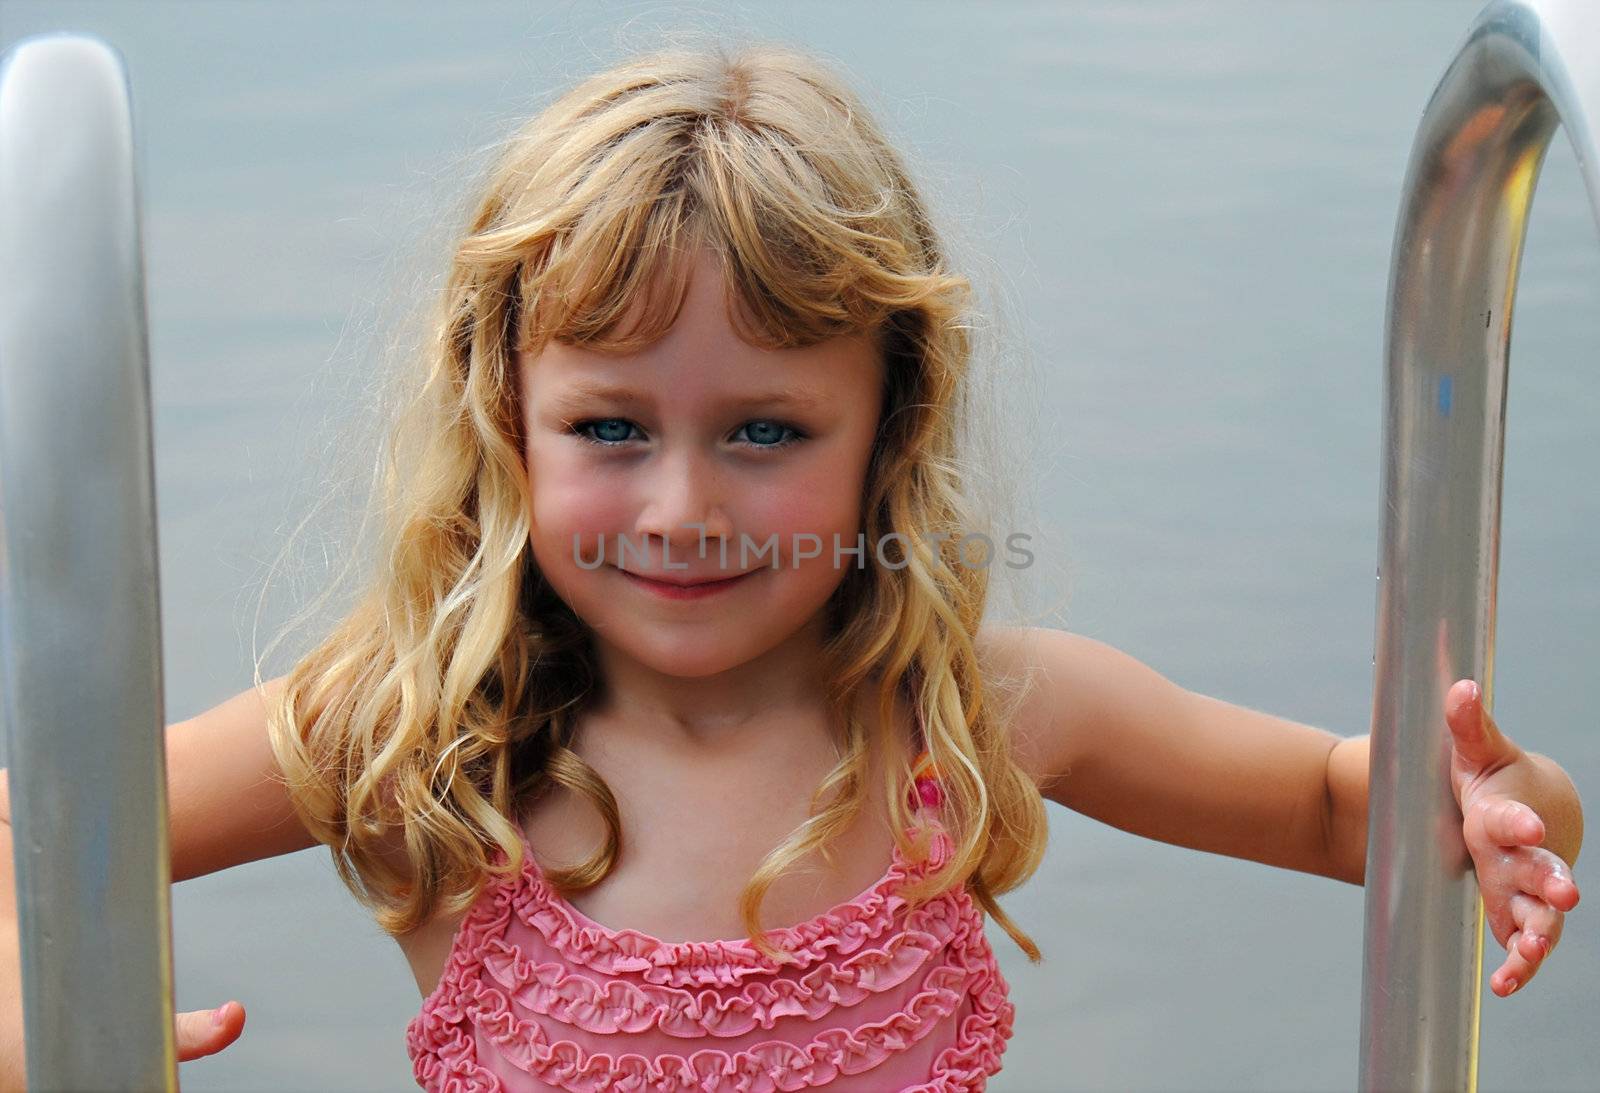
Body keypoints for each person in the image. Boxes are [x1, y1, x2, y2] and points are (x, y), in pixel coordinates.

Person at [0, 40, 1585, 1092]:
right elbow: (38, 827)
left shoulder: (969, 712)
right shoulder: (429, 728)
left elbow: (1334, 806)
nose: (685, 503)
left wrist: (1510, 811)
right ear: (509, 419)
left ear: (886, 423)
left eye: (764, 432)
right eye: (611, 426)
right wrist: (27, 1006)